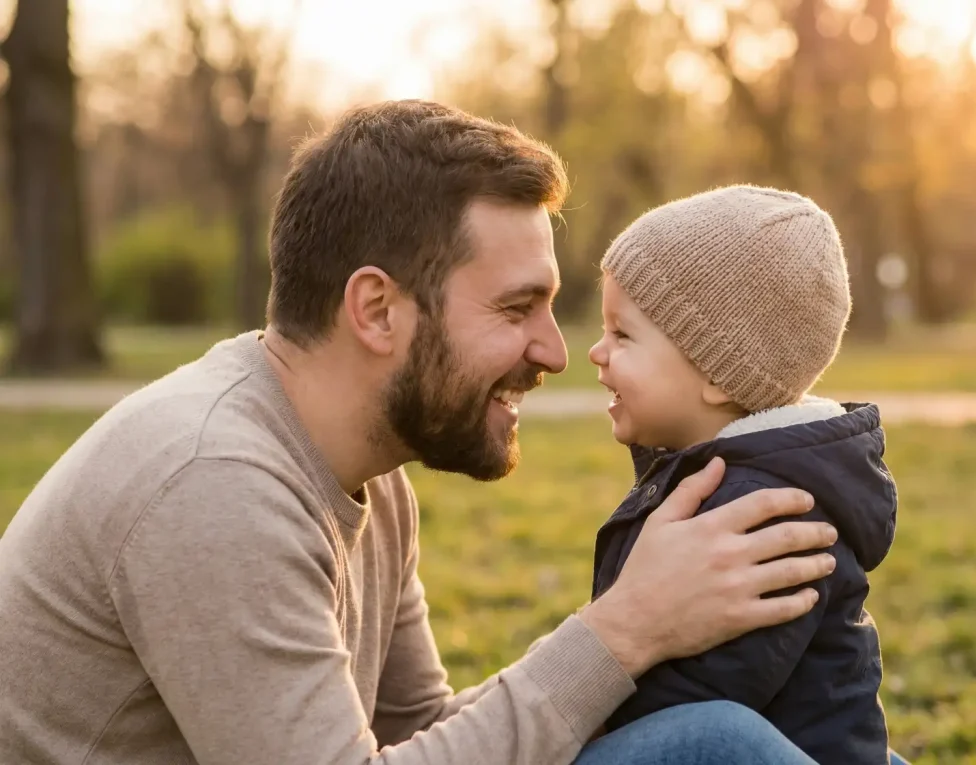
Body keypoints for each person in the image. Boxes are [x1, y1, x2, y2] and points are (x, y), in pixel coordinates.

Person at [0, 101, 840, 765]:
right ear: (376, 310)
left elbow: (420, 729)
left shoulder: (366, 468)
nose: (553, 350)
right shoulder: (213, 481)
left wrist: (636, 632)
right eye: (516, 308)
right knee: (712, 747)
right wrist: (626, 630)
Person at [587, 186, 899, 764]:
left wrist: (579, 721)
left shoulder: (761, 510)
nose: (596, 352)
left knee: (709, 733)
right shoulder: (738, 478)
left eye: (622, 334)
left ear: (718, 375)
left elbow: (699, 690)